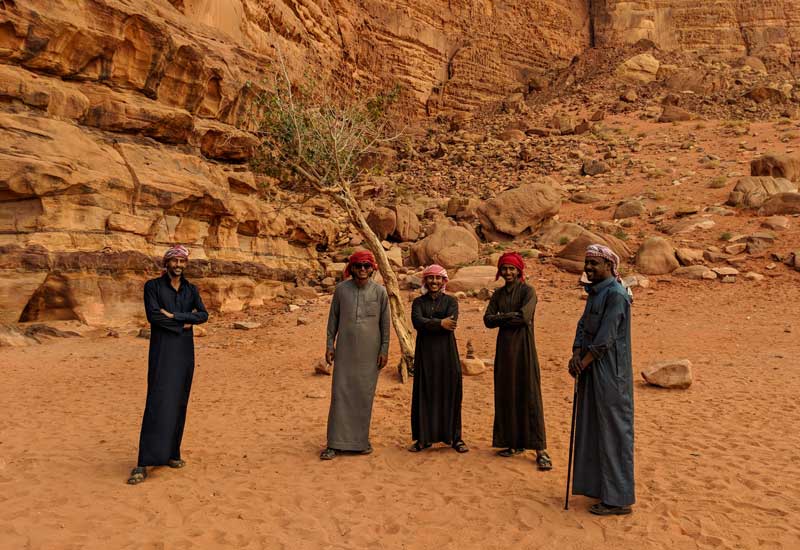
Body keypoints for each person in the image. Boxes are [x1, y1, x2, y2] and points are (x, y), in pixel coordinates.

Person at [128, 245, 209, 485]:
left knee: (179, 400)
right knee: (158, 399)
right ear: (166, 263)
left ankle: (172, 454)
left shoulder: (191, 289)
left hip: (185, 352)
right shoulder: (152, 287)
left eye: (182, 261)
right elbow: (154, 316)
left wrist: (177, 317)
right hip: (163, 351)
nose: (178, 266)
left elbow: (203, 315)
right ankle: (144, 461)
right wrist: (182, 323)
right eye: (174, 261)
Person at [568, 244, 635, 515]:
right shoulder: (595, 293)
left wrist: (582, 363)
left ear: (609, 266)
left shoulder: (616, 295)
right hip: (591, 368)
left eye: (594, 263)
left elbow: (605, 338)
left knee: (614, 432)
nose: (588, 268)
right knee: (593, 428)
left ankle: (618, 500)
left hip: (610, 374)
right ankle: (599, 489)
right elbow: (583, 326)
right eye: (587, 263)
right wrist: (575, 353)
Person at [483, 252, 551, 470]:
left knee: (530, 394)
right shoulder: (498, 294)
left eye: (512, 269)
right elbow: (487, 320)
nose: (508, 273)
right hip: (504, 352)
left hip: (524, 350)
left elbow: (524, 317)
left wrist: (503, 317)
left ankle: (540, 449)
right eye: (504, 269)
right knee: (507, 393)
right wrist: (509, 316)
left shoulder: (528, 291)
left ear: (520, 270)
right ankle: (513, 443)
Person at [320, 250, 390, 460]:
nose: (362, 270)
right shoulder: (341, 290)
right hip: (345, 352)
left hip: (370, 354)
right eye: (358, 266)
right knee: (340, 394)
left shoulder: (380, 293)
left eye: (366, 266)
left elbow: (385, 325)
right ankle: (334, 443)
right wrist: (329, 345)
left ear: (372, 269)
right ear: (351, 268)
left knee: (363, 396)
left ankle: (360, 443)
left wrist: (384, 349)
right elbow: (333, 320)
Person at [408, 264, 468, 453]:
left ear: (443, 281)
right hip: (425, 355)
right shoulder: (418, 302)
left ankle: (455, 438)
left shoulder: (451, 301)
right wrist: (439, 322)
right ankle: (423, 439)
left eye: (438, 278)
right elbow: (418, 323)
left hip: (446, 355)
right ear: (425, 280)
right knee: (424, 394)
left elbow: (451, 324)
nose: (434, 282)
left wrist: (432, 323)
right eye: (430, 278)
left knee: (450, 393)